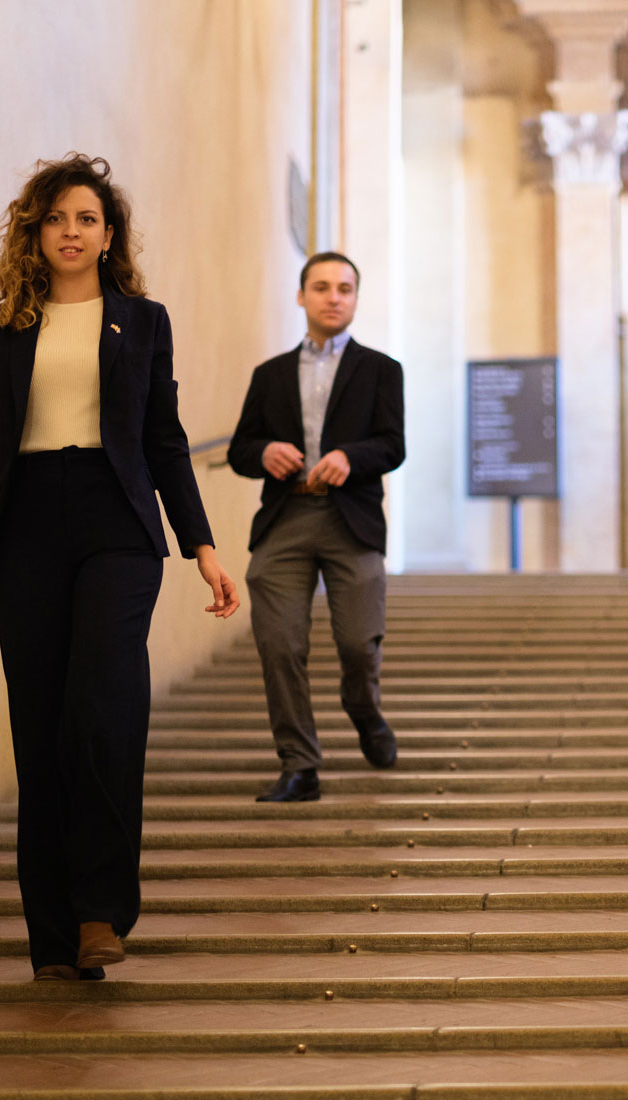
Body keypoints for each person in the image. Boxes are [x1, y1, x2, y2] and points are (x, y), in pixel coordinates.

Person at [0, 154, 239, 982]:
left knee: (100, 709)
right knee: (41, 723)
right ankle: (53, 935)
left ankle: (100, 909)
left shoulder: (142, 318)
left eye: (88, 219)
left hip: (116, 522)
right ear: (37, 229)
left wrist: (202, 546)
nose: (72, 231)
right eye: (58, 217)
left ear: (108, 235)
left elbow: (165, 440)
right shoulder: (4, 326)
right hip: (26, 522)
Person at [228, 252, 406, 802]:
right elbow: (239, 450)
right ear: (302, 296)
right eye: (322, 287)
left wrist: (351, 456)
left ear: (355, 299)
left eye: (345, 288)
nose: (334, 297)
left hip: (350, 519)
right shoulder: (270, 374)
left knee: (357, 643)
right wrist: (265, 452)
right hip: (287, 518)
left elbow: (392, 445)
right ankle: (299, 764)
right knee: (280, 644)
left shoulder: (381, 369)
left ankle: (363, 706)